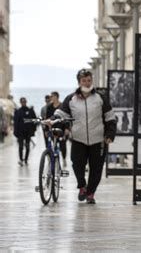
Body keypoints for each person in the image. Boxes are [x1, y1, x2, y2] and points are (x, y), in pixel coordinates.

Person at [48, 69, 117, 204]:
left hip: (98, 140)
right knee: (77, 165)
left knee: (96, 168)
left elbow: (110, 117)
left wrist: (110, 134)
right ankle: (82, 186)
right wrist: (52, 120)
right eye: (84, 81)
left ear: (92, 81)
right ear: (79, 82)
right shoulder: (71, 99)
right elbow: (61, 114)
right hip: (78, 139)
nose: (87, 83)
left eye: (89, 80)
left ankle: (90, 193)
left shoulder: (100, 98)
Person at [46, 91, 68, 167]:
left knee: (63, 145)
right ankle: (54, 158)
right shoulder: (49, 107)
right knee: (53, 145)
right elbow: (47, 118)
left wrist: (67, 128)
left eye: (52, 96)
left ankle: (64, 159)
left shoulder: (62, 106)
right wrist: (46, 129)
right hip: (52, 128)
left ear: (56, 97)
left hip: (61, 128)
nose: (51, 98)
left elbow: (66, 117)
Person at [13, 97, 37, 166]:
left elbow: (34, 120)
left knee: (27, 146)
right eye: (22, 102)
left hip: (28, 132)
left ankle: (26, 159)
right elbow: (15, 122)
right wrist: (15, 132)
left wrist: (33, 130)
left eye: (25, 102)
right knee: (20, 146)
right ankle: (21, 159)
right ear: (20, 103)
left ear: (26, 102)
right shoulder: (18, 111)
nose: (24, 103)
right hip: (20, 132)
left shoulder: (30, 110)